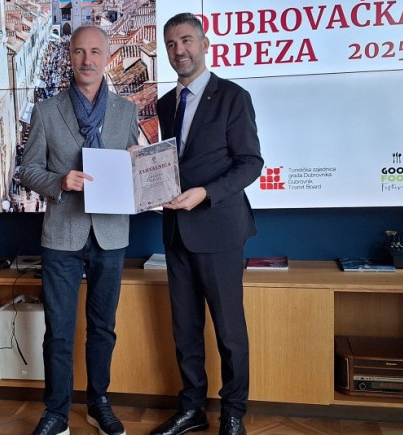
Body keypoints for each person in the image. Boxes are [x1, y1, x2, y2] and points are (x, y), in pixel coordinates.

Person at [19, 25, 139, 435]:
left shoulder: (126, 111)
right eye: (79, 52)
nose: (87, 60)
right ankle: (56, 412)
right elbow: (27, 170)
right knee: (59, 330)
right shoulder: (46, 111)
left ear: (107, 57)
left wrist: (137, 163)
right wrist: (59, 181)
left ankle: (98, 402)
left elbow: (134, 168)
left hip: (111, 233)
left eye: (95, 52)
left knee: (103, 327)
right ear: (69, 56)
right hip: (62, 233)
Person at [150, 13, 263, 435]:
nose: (179, 50)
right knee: (185, 329)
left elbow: (250, 162)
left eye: (186, 40)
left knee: (229, 331)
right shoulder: (165, 104)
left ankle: (233, 413)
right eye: (171, 44)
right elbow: (168, 164)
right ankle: (192, 409)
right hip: (175, 230)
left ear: (204, 44)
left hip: (219, 230)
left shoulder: (233, 97)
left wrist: (206, 193)